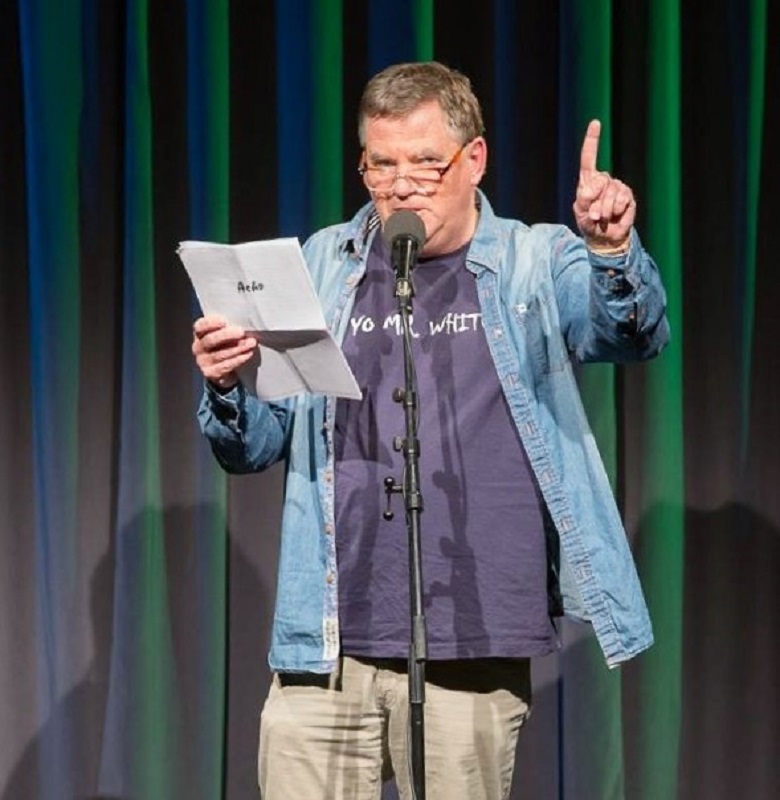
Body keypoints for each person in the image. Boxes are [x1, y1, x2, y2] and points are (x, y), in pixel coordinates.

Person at [191, 61, 669, 799]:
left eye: (424, 162)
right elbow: (257, 444)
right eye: (381, 166)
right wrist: (225, 384)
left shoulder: (532, 259)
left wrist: (610, 251)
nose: (401, 185)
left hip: (471, 639)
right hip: (325, 641)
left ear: (472, 159)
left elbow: (630, 334)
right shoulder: (324, 262)